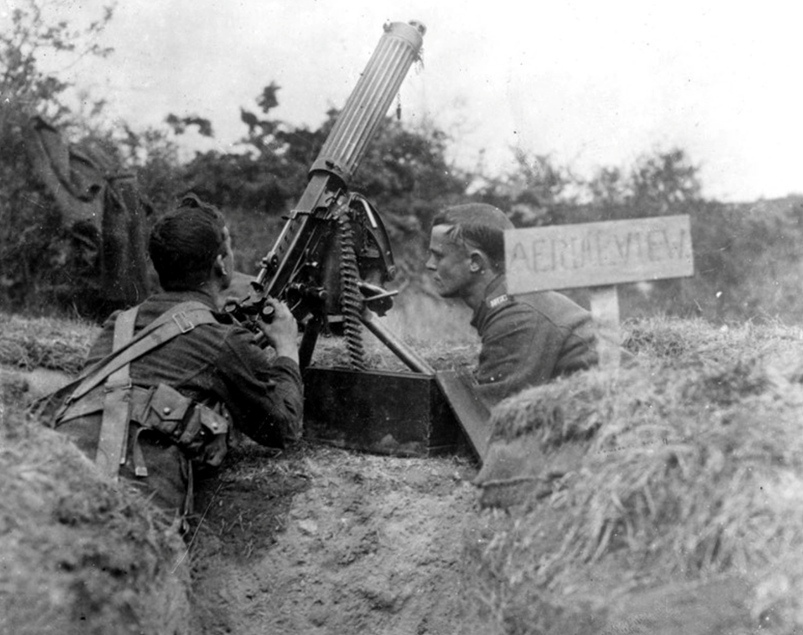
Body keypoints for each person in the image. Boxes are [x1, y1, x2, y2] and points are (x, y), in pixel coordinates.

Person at [39, 194, 303, 523]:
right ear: (222, 264)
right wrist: (286, 346)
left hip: (55, 484)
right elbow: (285, 427)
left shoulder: (118, 324)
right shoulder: (222, 339)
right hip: (134, 514)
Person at [426, 203, 599, 407]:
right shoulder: (512, 301)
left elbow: (491, 416)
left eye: (439, 256)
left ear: (475, 262)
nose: (429, 264)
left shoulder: (516, 316)